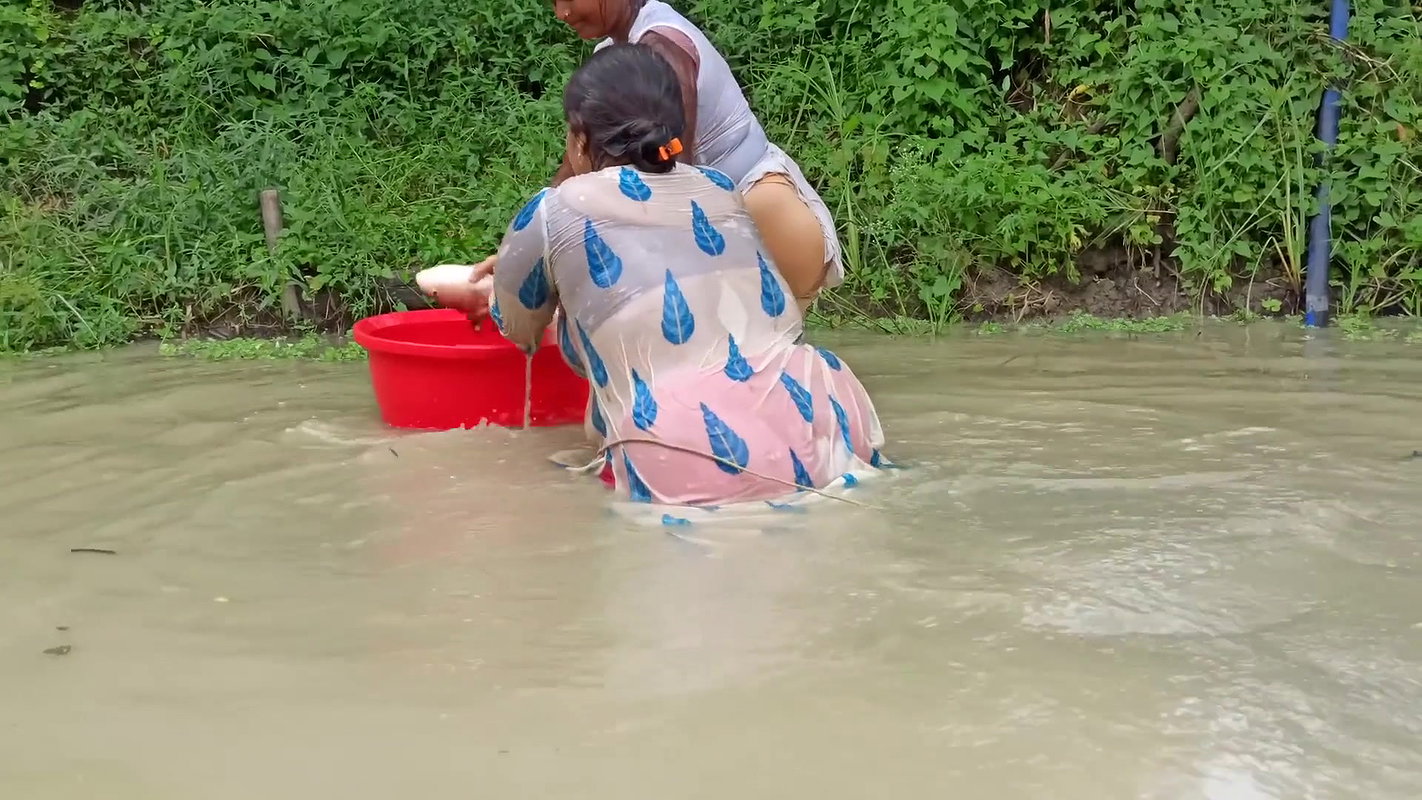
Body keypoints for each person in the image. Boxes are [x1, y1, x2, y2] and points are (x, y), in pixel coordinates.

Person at [434, 44, 886, 507]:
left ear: (580, 139)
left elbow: (518, 325)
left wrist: (492, 293)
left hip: (685, 443)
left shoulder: (553, 210)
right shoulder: (720, 187)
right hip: (826, 410)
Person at [532, 0, 838, 315]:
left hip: (761, 213)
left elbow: (672, 184)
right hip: (720, 228)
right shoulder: (612, 61)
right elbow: (575, 171)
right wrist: (530, 251)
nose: (562, 13)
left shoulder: (664, 49)